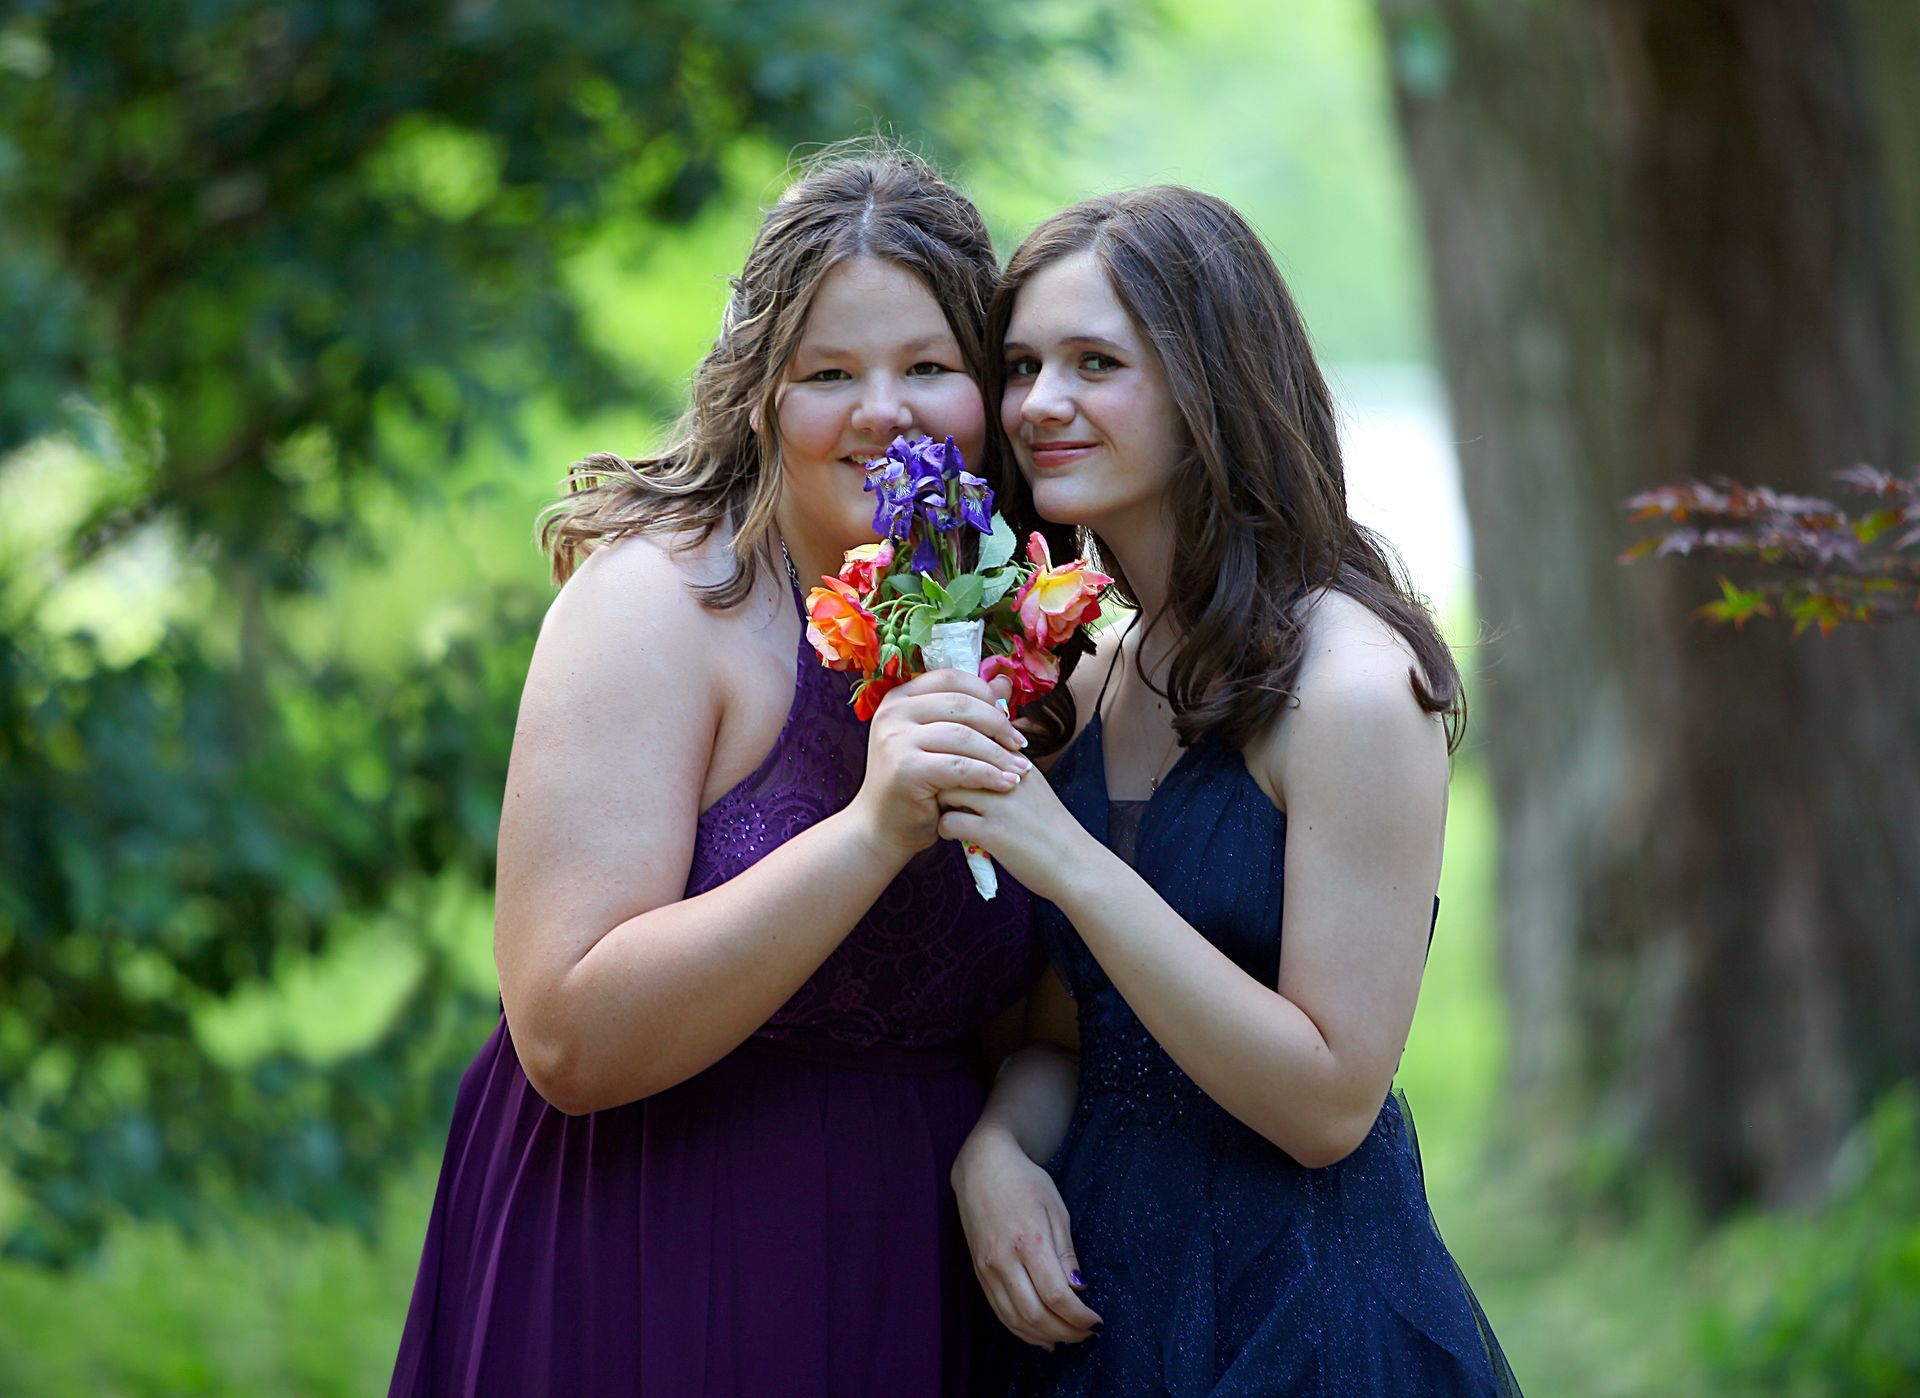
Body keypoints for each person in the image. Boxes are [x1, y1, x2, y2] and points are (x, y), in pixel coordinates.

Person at [388, 146, 1043, 1398]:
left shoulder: (1026, 623)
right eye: (831, 374)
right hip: (653, 1243)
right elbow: (566, 1035)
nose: (884, 413)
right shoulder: (661, 606)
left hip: (912, 1266)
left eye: (929, 368)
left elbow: (1038, 1007)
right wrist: (868, 832)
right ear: (760, 395)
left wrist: (1010, 1137)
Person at [938, 188, 1523, 1394]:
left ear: (1213, 383)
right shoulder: (1091, 675)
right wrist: (994, 1150)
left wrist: (1067, 856)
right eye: (1024, 365)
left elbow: (1326, 1104)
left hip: (1300, 1311)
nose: (1041, 403)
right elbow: (1071, 1032)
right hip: (1098, 1305)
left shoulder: (1354, 690)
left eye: (1096, 362)